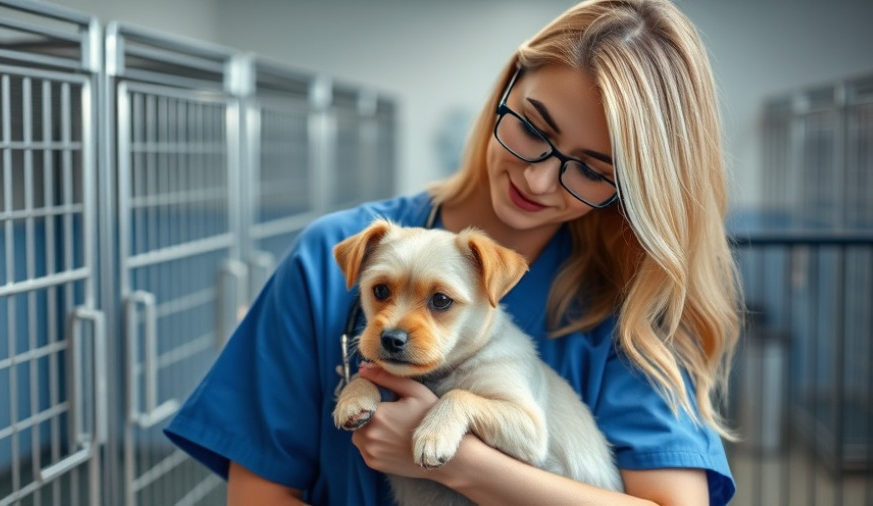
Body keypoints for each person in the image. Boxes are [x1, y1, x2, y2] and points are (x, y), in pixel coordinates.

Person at [164, 0, 743, 504]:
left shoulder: (632, 307)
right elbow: (257, 494)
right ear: (508, 87)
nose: (539, 181)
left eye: (591, 170)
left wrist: (461, 461)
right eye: (535, 130)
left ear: (635, 188)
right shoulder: (326, 255)